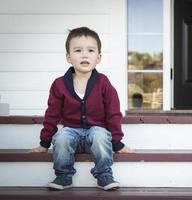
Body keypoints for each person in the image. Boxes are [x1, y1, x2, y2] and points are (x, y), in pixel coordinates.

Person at [30, 27, 132, 191]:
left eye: (90, 50)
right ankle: (63, 175)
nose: (84, 55)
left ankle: (104, 174)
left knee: (99, 134)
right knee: (62, 136)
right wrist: (44, 142)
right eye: (78, 50)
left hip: (96, 134)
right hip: (72, 133)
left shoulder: (104, 83)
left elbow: (113, 113)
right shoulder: (59, 84)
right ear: (68, 57)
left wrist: (117, 142)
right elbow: (52, 114)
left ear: (98, 58)